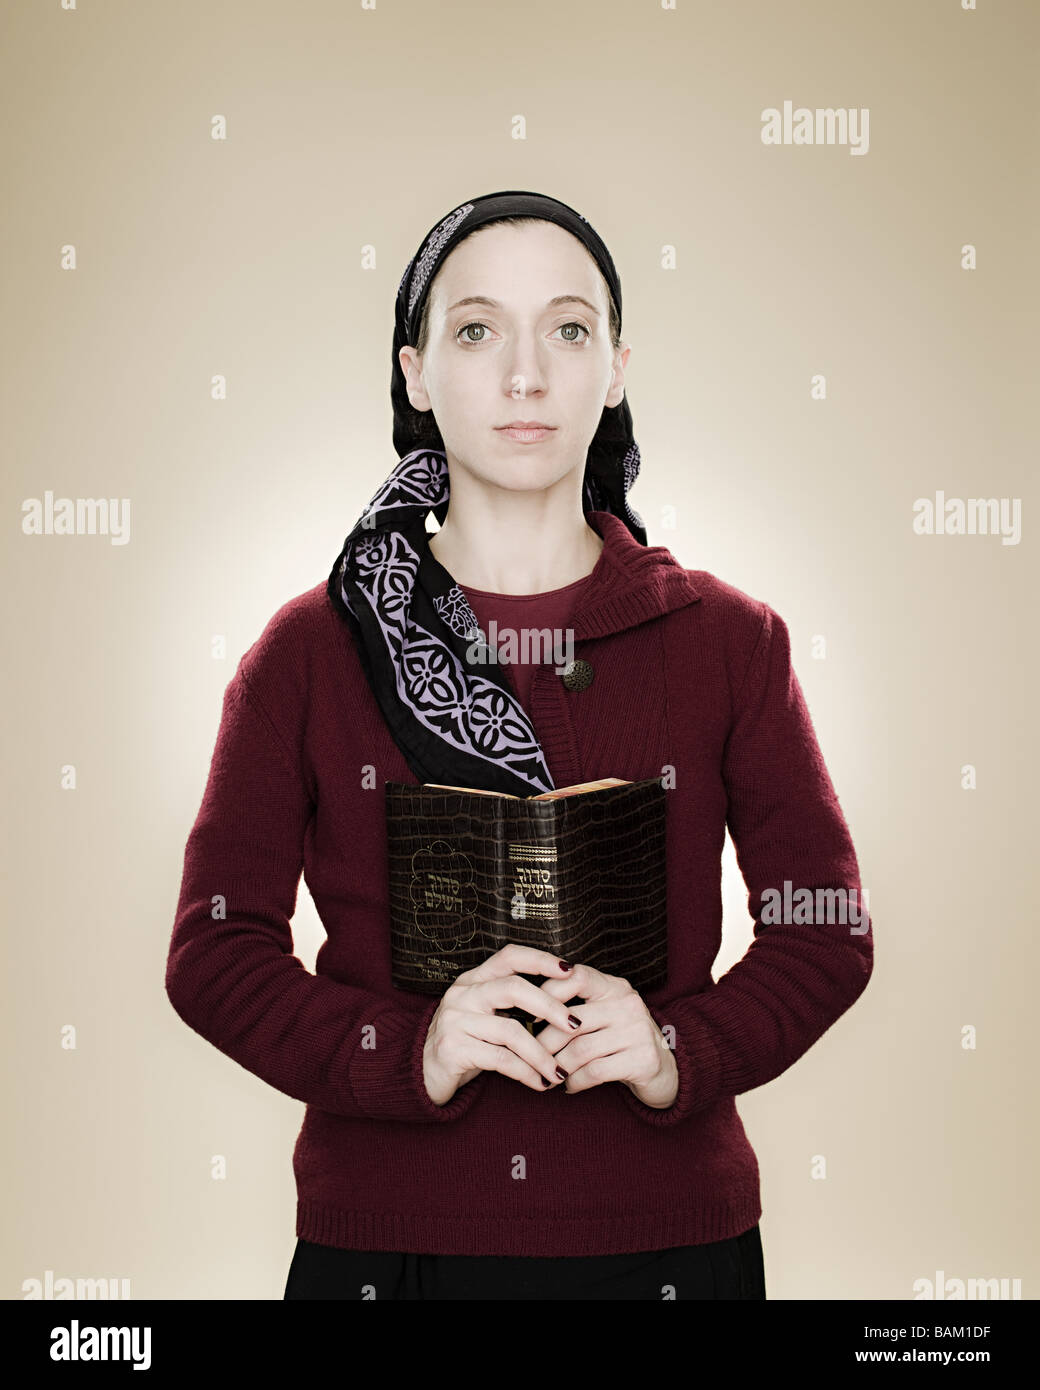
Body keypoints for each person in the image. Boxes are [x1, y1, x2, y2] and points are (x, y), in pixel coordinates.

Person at [165, 190, 873, 1301]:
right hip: (387, 1247)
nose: (525, 375)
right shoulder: (308, 650)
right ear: (413, 371)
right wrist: (411, 1052)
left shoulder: (731, 640)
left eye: (569, 329)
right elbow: (214, 952)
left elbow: (821, 931)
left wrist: (676, 1052)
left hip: (669, 1246)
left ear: (617, 365)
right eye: (477, 330)